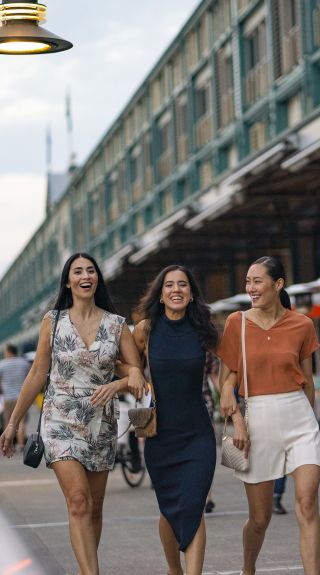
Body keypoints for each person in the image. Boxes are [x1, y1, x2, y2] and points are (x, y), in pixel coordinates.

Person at [0, 252, 145, 575]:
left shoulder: (116, 325)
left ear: (97, 279)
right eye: (77, 271)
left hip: (100, 422)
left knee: (93, 509)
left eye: (91, 270)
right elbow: (38, 373)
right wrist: (12, 424)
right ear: (68, 281)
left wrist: (120, 383)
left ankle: (85, 568)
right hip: (60, 418)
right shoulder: (52, 322)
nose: (85, 275)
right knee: (79, 501)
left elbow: (137, 375)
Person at [218, 256, 320, 575]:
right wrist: (237, 419)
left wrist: (312, 420)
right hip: (258, 419)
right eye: (248, 281)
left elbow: (308, 381)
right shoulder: (237, 323)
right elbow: (227, 380)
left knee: (306, 504)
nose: (251, 287)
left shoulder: (302, 324)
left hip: (300, 419)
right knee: (260, 519)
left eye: (257, 281)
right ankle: (248, 568)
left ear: (278, 285)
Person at [133, 264, 218, 575]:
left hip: (198, 435)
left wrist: (235, 404)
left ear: (191, 293)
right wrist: (130, 374)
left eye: (183, 285)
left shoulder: (203, 329)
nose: (176, 290)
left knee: (193, 508)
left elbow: (230, 365)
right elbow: (121, 362)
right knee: (169, 511)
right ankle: (175, 570)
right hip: (160, 436)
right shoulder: (146, 330)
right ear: (161, 294)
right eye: (169, 285)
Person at [0, 344, 30, 451]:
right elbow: (29, 378)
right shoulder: (24, 363)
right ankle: (21, 445)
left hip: (8, 397)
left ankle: (8, 446)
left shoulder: (2, 364)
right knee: (21, 421)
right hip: (22, 396)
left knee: (8, 422)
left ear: (9, 352)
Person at [202, 351, 219, 513]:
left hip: (204, 404)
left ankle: (207, 496)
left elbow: (214, 376)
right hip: (174, 407)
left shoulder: (204, 345)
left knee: (206, 450)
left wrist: (229, 396)